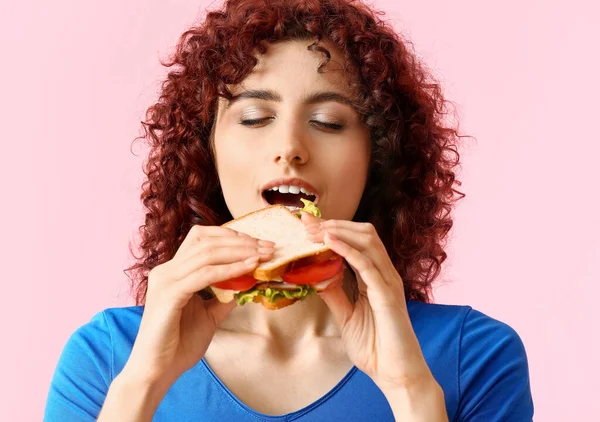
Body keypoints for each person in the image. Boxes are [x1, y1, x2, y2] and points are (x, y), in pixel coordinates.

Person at [44, 0, 534, 420]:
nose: (289, 147)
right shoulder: (108, 357)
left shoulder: (475, 357)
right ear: (207, 150)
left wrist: (410, 390)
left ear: (378, 157)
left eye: (328, 121)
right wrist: (144, 384)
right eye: (255, 117)